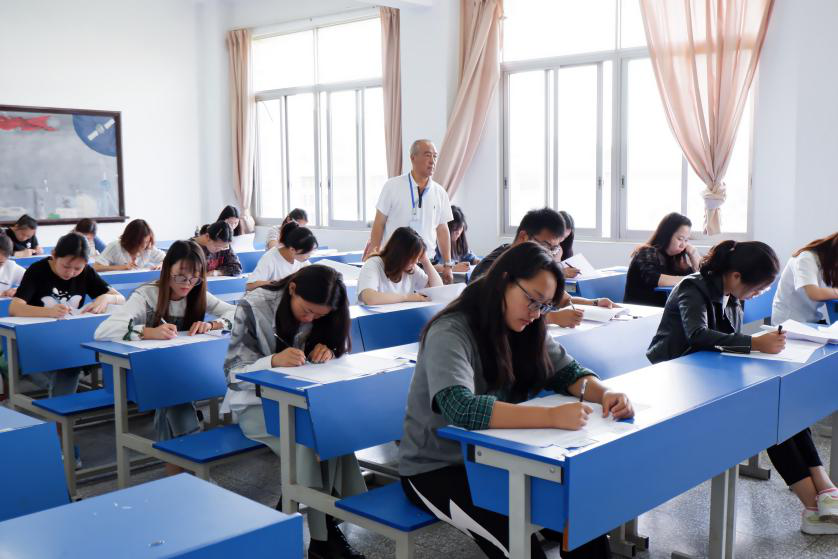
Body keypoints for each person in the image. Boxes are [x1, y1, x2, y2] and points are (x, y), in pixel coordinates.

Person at [399, 241, 631, 558]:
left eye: (544, 306)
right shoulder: (451, 330)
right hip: (437, 468)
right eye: (532, 300)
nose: (536, 313)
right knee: (520, 548)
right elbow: (460, 408)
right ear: (505, 280)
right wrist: (550, 417)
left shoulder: (527, 325)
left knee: (583, 526)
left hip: (504, 458)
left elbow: (568, 372)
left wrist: (605, 393)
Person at [646, 240, 838, 535]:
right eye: (758, 288)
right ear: (736, 276)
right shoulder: (692, 287)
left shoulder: (732, 294)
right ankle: (816, 503)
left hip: (710, 375)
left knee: (783, 406)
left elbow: (723, 343)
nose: (760, 294)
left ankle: (823, 491)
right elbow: (697, 335)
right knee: (768, 419)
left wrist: (754, 346)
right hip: (678, 381)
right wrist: (754, 343)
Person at [221, 265, 367, 559]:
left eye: (319, 317)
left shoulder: (326, 312)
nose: (310, 319)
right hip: (255, 404)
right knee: (309, 441)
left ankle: (294, 516)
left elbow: (339, 355)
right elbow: (232, 373)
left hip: (304, 403)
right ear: (292, 289)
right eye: (307, 311)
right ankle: (323, 536)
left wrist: (329, 352)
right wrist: (272, 361)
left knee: (334, 435)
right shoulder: (254, 306)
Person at [95, 240, 234, 474]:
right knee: (175, 401)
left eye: (194, 278)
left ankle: (184, 475)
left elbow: (237, 312)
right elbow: (103, 331)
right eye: (180, 277)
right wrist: (149, 332)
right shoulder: (147, 295)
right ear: (167, 269)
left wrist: (213, 324)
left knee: (174, 402)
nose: (187, 284)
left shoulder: (197, 292)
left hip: (183, 370)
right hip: (148, 373)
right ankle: (192, 471)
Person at [9, 232, 125, 396]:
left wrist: (106, 298)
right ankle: (61, 404)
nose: (70, 273)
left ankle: (68, 402)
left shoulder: (86, 272)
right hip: (37, 338)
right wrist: (49, 312)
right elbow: (15, 307)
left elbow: (120, 298)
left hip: (68, 338)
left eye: (77, 268)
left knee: (76, 361)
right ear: (54, 255)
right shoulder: (37, 271)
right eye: (66, 266)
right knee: (69, 364)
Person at [471, 208, 616, 328]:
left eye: (554, 249)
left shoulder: (538, 266)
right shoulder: (491, 267)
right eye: (545, 245)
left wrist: (595, 303)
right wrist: (553, 317)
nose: (549, 254)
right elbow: (493, 313)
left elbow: (564, 300)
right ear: (523, 236)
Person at [365, 139, 455, 284]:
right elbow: (379, 223)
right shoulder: (392, 186)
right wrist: (374, 254)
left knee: (428, 297)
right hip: (395, 262)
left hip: (426, 262)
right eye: (427, 155)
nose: (432, 161)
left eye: (435, 156)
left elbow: (442, 229)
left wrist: (448, 264)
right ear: (413, 158)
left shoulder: (440, 192)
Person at [623, 212, 702, 307]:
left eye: (686, 240)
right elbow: (654, 279)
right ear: (666, 235)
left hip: (663, 311)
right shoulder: (646, 252)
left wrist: (693, 254)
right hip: (640, 310)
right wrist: (690, 279)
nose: (683, 245)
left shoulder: (677, 258)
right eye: (680, 239)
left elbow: (701, 278)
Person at [357, 227, 443, 305]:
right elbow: (369, 298)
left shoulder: (411, 269)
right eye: (412, 258)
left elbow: (438, 290)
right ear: (400, 255)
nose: (416, 262)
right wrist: (407, 297)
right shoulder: (373, 264)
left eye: (418, 257)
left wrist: (425, 261)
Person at [772, 232, 838, 325]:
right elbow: (815, 294)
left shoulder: (830, 263)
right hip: (790, 323)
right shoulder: (806, 258)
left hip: (812, 321)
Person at [247, 221, 317, 291]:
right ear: (292, 249)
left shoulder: (301, 259)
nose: (309, 256)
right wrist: (277, 284)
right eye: (307, 252)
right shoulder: (270, 258)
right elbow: (250, 285)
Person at [94, 219, 166, 272]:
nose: (144, 246)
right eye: (140, 242)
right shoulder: (115, 246)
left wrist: (161, 265)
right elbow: (96, 267)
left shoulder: (148, 248)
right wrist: (121, 267)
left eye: (147, 242)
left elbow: (167, 259)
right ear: (131, 239)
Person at [433, 205, 480, 274]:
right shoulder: (435, 245)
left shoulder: (459, 244)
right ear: (447, 228)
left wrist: (477, 261)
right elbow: (429, 268)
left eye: (460, 228)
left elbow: (471, 258)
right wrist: (453, 268)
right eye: (455, 229)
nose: (458, 232)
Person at [0, 231, 26, 297]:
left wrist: (18, 289)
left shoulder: (11, 267)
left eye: (0, 263)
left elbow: (34, 281)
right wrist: (3, 293)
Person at [557, 210, 580, 279]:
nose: (561, 240)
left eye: (565, 237)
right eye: (560, 236)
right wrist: (561, 273)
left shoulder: (564, 247)